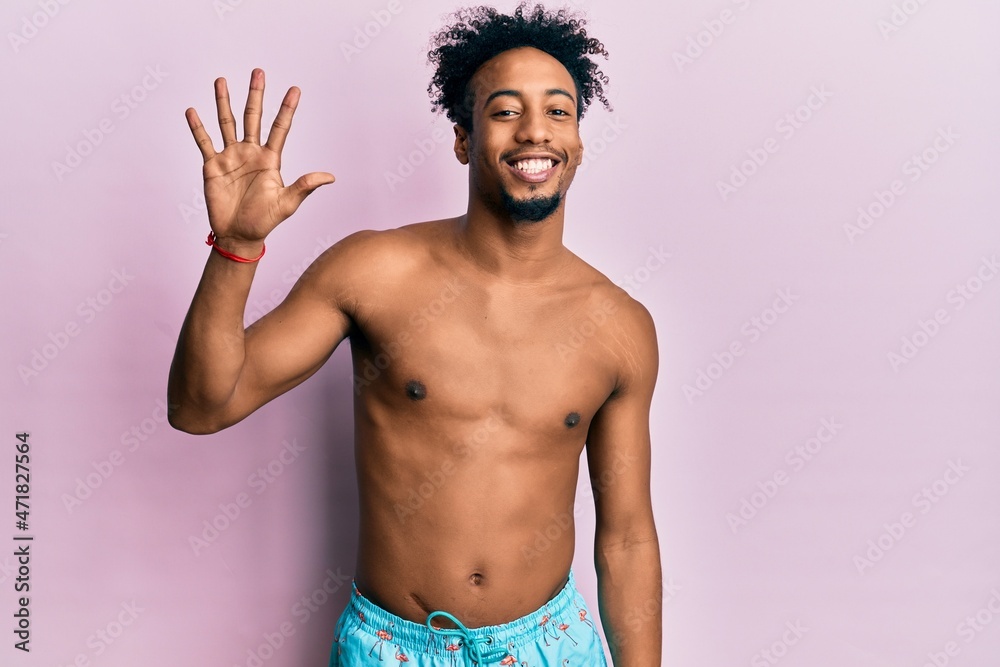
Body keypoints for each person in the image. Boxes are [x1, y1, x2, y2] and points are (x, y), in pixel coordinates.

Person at [168, 3, 662, 665]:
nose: (534, 132)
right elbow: (200, 407)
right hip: (392, 647)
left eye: (558, 111)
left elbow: (626, 538)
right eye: (506, 110)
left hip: (554, 645)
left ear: (577, 139)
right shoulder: (373, 272)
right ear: (463, 137)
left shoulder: (619, 326)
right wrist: (235, 247)